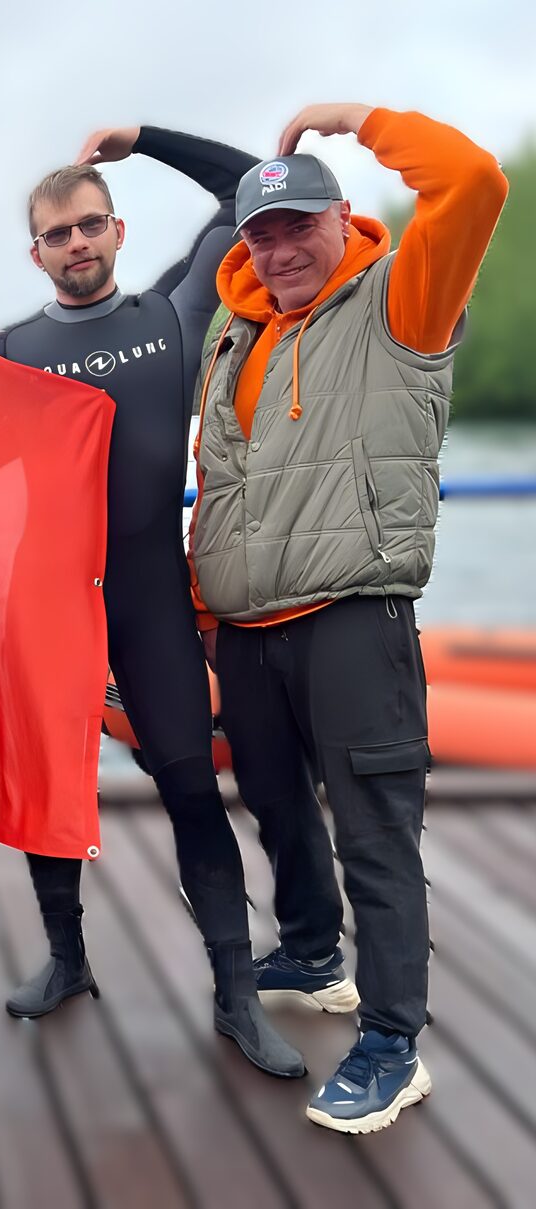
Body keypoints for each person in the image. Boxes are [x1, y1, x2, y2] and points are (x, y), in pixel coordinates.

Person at [190, 103, 506, 1132]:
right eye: (261, 234)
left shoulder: (401, 297)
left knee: (375, 831)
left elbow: (470, 181)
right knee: (277, 806)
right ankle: (316, 954)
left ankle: (391, 1039)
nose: (280, 249)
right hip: (248, 624)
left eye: (299, 226)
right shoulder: (233, 331)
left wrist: (358, 118)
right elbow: (222, 480)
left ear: (343, 222)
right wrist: (205, 607)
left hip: (354, 612)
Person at [0, 126, 303, 1077]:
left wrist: (140, 139)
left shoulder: (172, 313)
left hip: (149, 595)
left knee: (191, 790)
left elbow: (251, 184)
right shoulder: (7, 353)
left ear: (116, 230)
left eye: (89, 225)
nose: (76, 243)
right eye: (57, 233)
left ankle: (236, 995)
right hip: (51, 603)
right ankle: (68, 960)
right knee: (51, 795)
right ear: (34, 252)